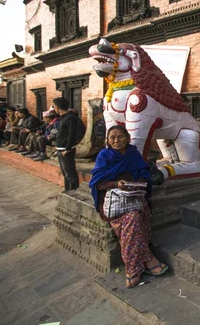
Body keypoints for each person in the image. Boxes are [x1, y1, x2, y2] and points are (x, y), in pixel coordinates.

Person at [89, 125, 168, 288]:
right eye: (112, 137)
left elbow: (145, 176)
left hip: (133, 197)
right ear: (108, 140)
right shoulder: (104, 156)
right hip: (113, 201)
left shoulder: (133, 154)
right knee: (133, 219)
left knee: (140, 215)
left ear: (127, 138)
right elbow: (98, 183)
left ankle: (141, 263)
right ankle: (137, 265)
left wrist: (136, 184)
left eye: (120, 137)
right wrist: (116, 184)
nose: (116, 140)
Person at [54, 97, 84, 190]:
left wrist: (68, 149)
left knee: (70, 173)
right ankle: (68, 190)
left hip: (66, 150)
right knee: (65, 173)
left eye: (54, 106)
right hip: (60, 149)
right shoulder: (62, 118)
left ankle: (74, 191)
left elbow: (72, 134)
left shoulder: (70, 118)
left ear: (58, 107)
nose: (54, 108)